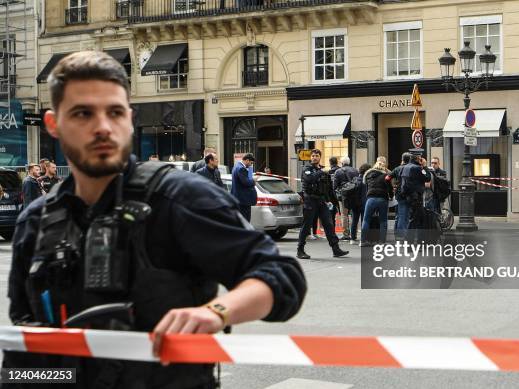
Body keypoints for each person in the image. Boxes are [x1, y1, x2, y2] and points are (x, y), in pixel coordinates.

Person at [5, 51, 306, 389]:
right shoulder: (37, 219)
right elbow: (22, 349)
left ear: (129, 118)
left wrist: (215, 312)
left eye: (114, 112)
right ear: (53, 124)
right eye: (83, 113)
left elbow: (280, 278)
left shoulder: (179, 197)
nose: (102, 126)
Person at [297, 149, 349, 259]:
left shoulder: (322, 170)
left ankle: (336, 249)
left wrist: (331, 200)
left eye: (316, 156)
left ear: (320, 157)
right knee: (306, 226)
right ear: (310, 158)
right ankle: (300, 250)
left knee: (329, 224)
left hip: (321, 200)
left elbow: (327, 188)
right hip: (310, 200)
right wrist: (321, 171)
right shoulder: (307, 169)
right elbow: (310, 179)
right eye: (313, 156)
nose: (314, 157)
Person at [361, 157, 393, 246]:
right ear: (384, 164)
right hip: (383, 199)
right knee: (383, 221)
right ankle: (382, 242)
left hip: (370, 198)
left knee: (366, 219)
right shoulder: (386, 175)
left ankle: (363, 241)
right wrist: (391, 196)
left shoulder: (368, 174)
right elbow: (389, 188)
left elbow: (366, 186)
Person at [400, 154, 431, 233]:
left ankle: (415, 237)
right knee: (416, 218)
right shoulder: (417, 168)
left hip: (407, 195)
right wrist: (424, 166)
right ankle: (411, 238)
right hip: (416, 196)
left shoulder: (405, 167)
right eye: (420, 159)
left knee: (414, 216)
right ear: (418, 159)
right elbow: (427, 178)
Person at [332, 156, 359, 241]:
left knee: (344, 214)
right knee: (354, 214)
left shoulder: (338, 171)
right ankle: (354, 233)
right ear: (349, 162)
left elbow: (334, 186)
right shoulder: (355, 170)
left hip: (343, 196)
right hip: (354, 195)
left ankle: (346, 234)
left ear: (342, 163)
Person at [348, 163, 370, 245]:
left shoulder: (355, 179)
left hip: (354, 203)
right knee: (364, 221)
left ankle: (352, 238)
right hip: (364, 203)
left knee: (354, 221)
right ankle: (363, 239)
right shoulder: (366, 181)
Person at [231, 153, 257, 221]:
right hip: (243, 200)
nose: (251, 165)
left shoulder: (236, 166)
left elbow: (248, 178)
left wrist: (250, 170)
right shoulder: (241, 168)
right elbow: (246, 182)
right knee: (245, 220)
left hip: (241, 199)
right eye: (251, 163)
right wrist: (254, 181)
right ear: (247, 160)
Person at [390, 153, 411, 240]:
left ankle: (399, 234)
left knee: (400, 214)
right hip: (409, 194)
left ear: (402, 159)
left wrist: (393, 187)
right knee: (405, 215)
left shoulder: (397, 169)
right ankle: (402, 235)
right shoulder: (411, 168)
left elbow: (388, 177)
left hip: (399, 194)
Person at [328, 156, 341, 232]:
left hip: (331, 194)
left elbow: (328, 184)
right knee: (342, 213)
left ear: (330, 163)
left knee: (331, 212)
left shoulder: (330, 172)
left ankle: (332, 229)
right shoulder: (340, 170)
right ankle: (346, 230)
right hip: (340, 194)